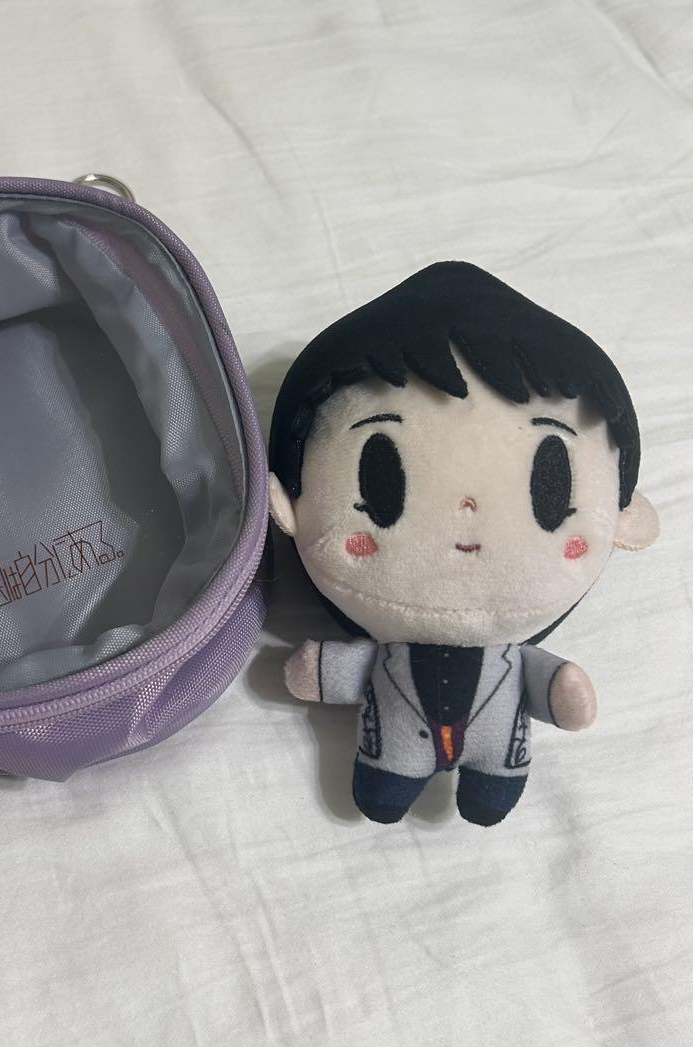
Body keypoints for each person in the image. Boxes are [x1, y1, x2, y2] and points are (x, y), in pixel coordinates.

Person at [268, 262, 659, 825]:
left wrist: (562, 691)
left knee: (485, 796)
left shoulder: (509, 658)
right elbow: (340, 671)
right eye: (380, 483)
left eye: (550, 490)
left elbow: (552, 686)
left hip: (491, 750)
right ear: (287, 507)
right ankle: (393, 786)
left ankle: (479, 788)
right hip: (397, 744)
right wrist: (320, 670)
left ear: (625, 522)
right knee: (381, 796)